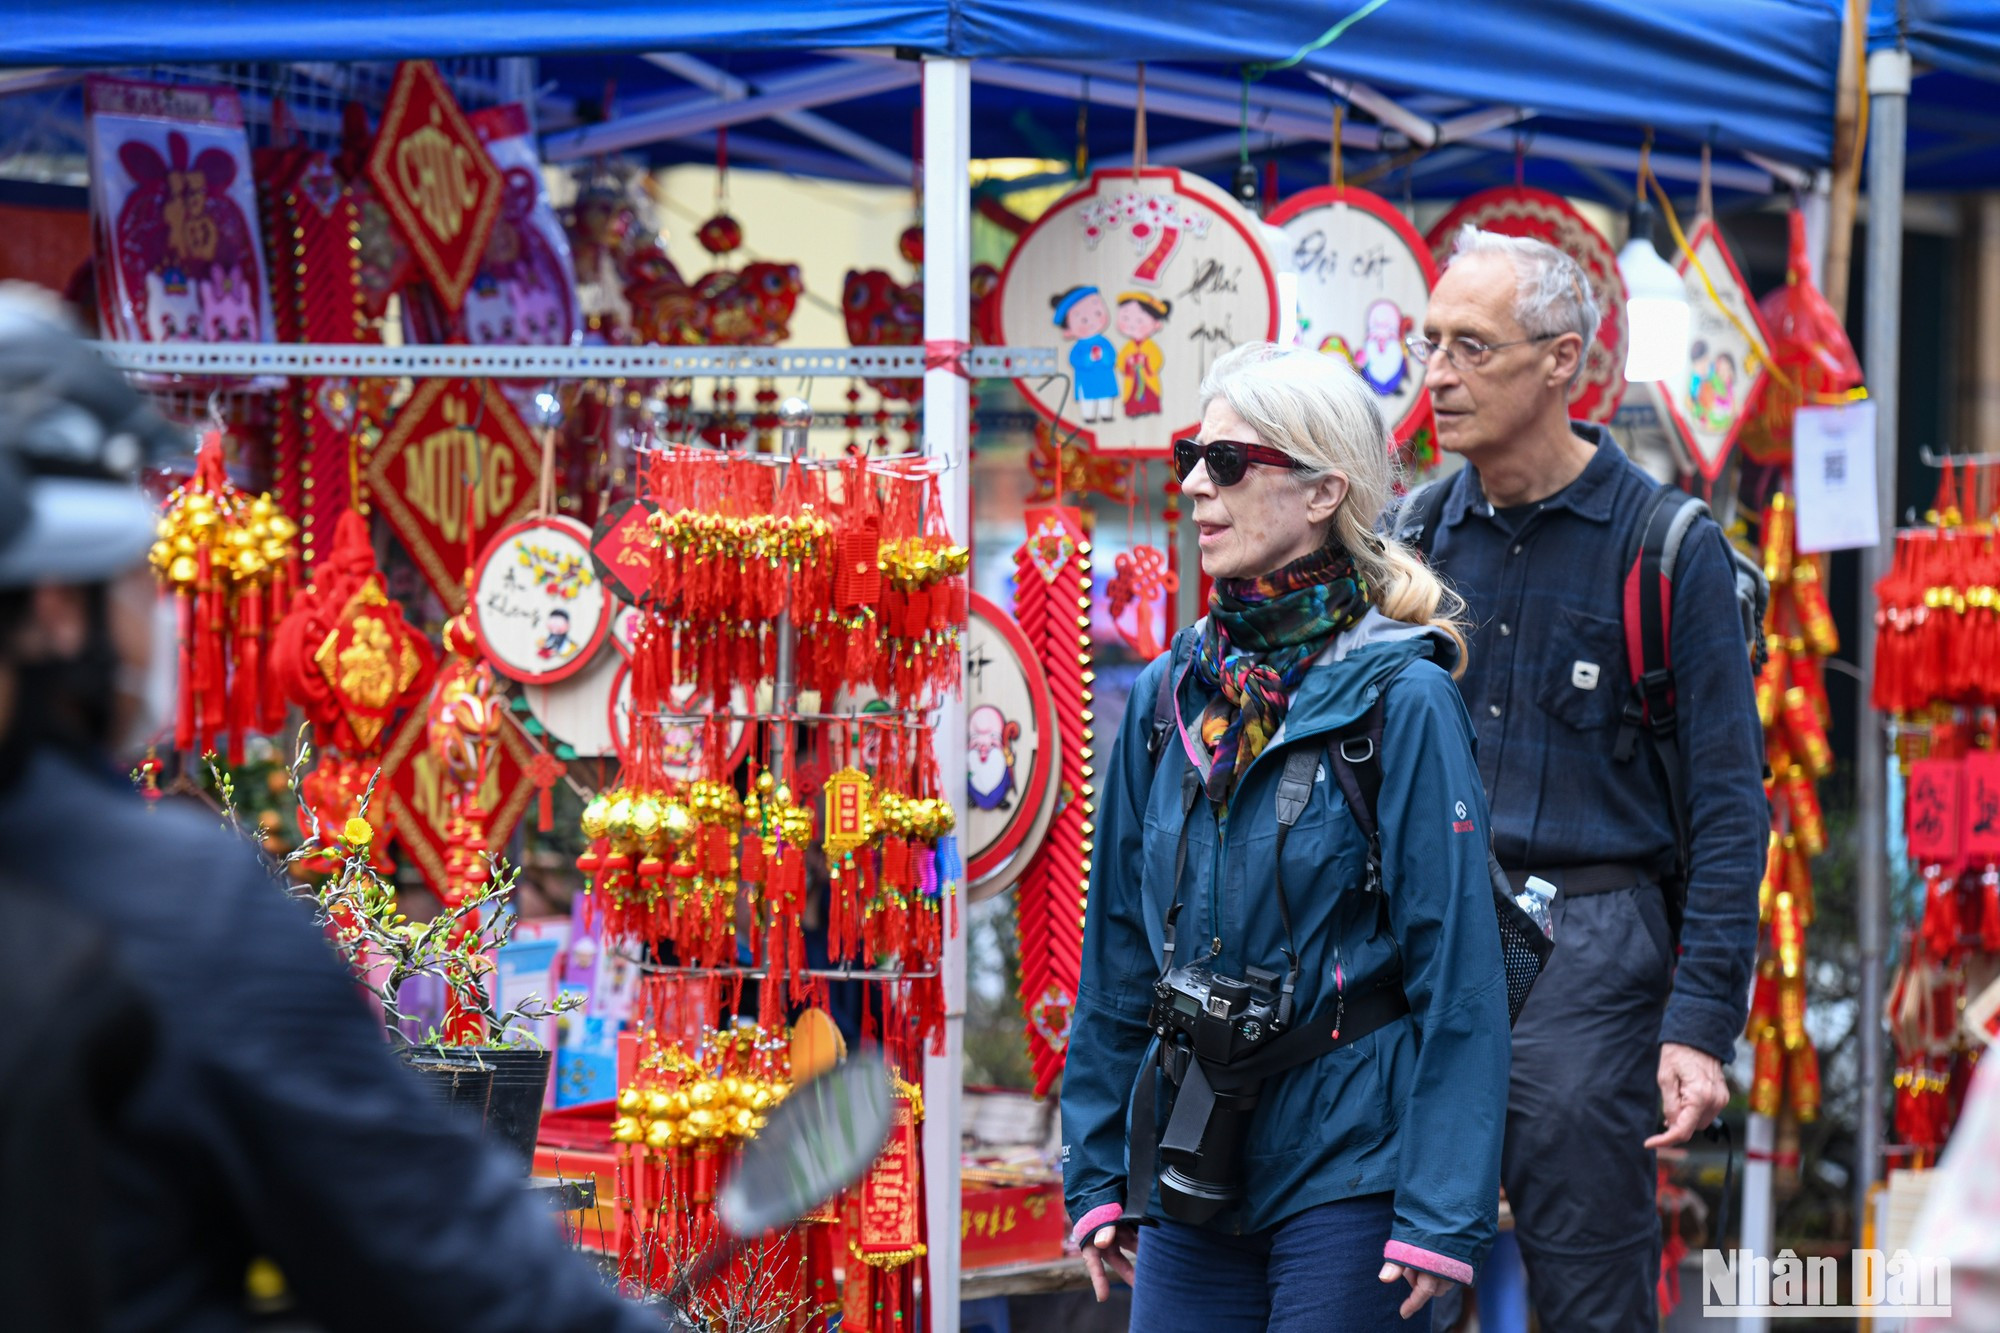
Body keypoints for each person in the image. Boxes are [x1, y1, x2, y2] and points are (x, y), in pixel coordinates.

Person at [0, 287, 662, 1331]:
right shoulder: (178, 911)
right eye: (138, 577)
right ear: (53, 609)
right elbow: (465, 1273)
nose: (161, 610)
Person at [1062, 342, 1511, 1331]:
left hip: (1352, 1159)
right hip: (1194, 1143)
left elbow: (1459, 975)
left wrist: (1439, 1214)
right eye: (1189, 455)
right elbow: (1119, 953)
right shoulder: (1165, 696)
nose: (1190, 486)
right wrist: (1095, 1170)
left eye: (1226, 463)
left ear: (1321, 492)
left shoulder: (1404, 697)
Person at [1401, 228, 1765, 1331]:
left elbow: (1726, 804)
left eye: (1470, 347)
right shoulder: (1411, 535)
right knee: (1388, 1268)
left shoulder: (1665, 546)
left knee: (1588, 1290)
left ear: (1560, 360)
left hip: (1594, 949)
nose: (1436, 375)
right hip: (1428, 931)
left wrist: (1697, 1024)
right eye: (1429, 344)